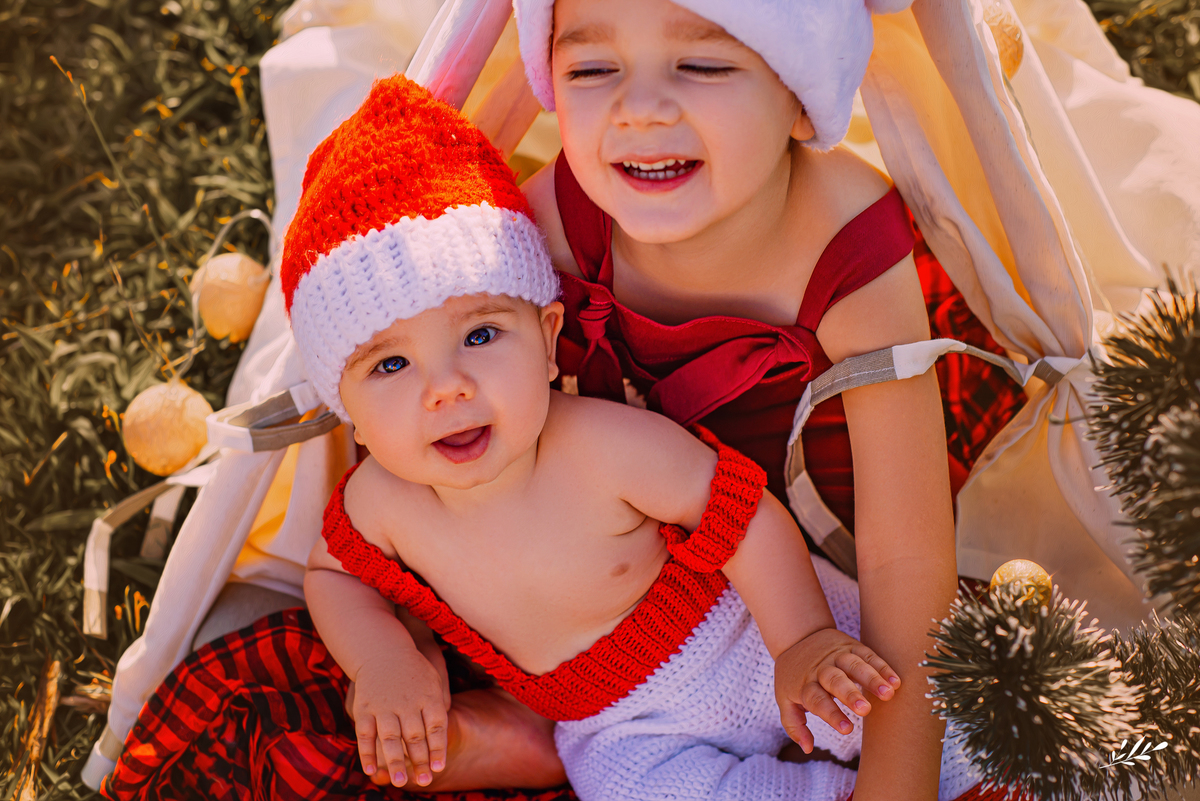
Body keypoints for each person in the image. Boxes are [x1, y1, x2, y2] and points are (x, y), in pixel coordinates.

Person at [291, 73, 916, 801]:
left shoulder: (599, 445)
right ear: (346, 406)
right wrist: (381, 659)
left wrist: (802, 638)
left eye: (482, 334)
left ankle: (983, 765)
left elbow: (741, 514)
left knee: (882, 692)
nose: (448, 386)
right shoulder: (377, 504)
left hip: (744, 641)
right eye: (391, 364)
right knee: (623, 786)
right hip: (617, 721)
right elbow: (331, 574)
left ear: (548, 339)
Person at [504, 0, 1027, 798]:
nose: (639, 108)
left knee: (992, 718)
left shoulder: (848, 239)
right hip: (657, 554)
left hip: (833, 531)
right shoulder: (556, 223)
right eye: (591, 69)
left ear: (798, 94)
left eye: (705, 64)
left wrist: (900, 784)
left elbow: (905, 551)